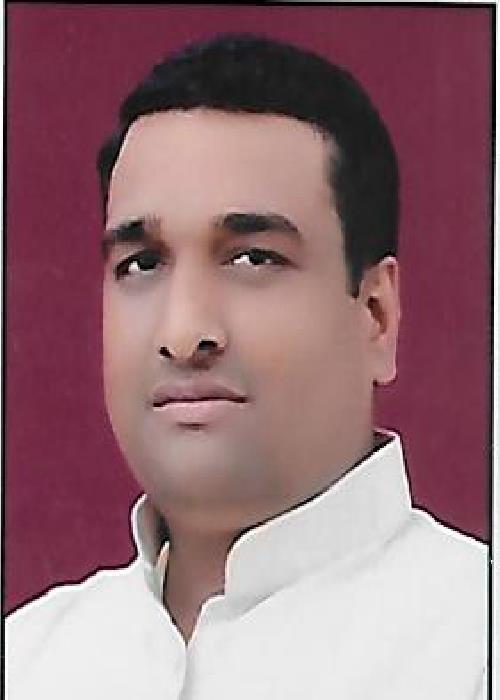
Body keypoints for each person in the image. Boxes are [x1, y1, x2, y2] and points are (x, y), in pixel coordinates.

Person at [6, 33, 487, 699]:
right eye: (141, 264)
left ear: (376, 315)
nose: (183, 333)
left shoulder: (473, 645)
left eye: (252, 258)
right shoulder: (28, 661)